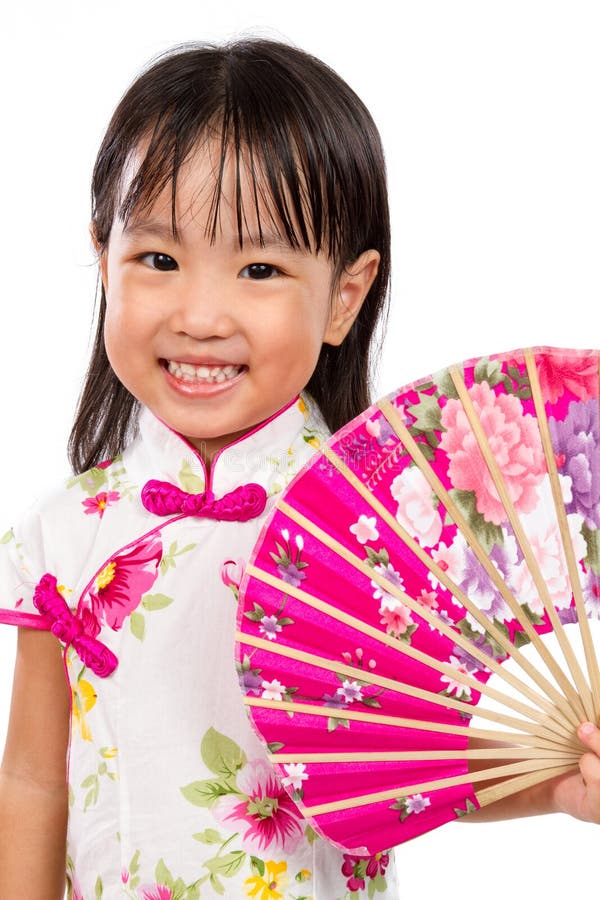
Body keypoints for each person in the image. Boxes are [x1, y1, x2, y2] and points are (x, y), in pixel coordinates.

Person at [0, 36, 598, 900]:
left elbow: (407, 766)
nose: (201, 315)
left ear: (343, 298)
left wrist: (557, 783)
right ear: (103, 261)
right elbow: (31, 777)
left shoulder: (385, 522)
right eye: (158, 260)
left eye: (260, 268)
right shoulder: (60, 534)